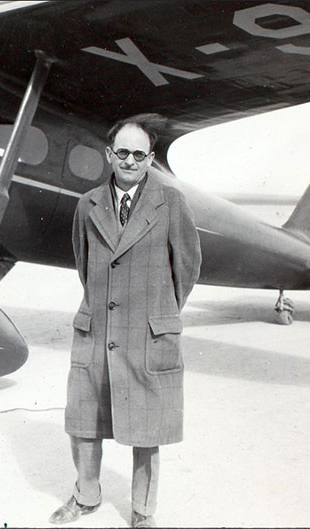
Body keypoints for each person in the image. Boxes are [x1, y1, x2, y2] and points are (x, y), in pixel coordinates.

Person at [49, 114, 202, 528]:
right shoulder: (88, 204)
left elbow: (186, 268)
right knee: (83, 423)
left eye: (139, 154)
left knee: (147, 431)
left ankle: (142, 512)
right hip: (96, 330)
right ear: (109, 154)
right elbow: (86, 267)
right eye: (123, 152)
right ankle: (86, 496)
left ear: (151, 158)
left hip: (147, 334)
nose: (130, 161)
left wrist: (158, 314)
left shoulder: (171, 203)